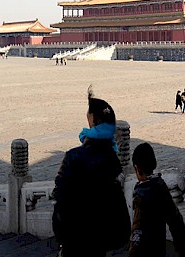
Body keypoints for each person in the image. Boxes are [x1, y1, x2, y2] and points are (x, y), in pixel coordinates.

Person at [51, 93, 130, 256]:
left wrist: (62, 239)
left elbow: (60, 199)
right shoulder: (113, 158)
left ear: (93, 119)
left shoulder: (73, 156)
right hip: (100, 242)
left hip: (75, 241)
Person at [128, 143, 185, 257]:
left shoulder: (141, 196)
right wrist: (181, 246)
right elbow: (175, 219)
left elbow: (137, 229)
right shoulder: (161, 186)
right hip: (159, 247)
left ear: (137, 169)